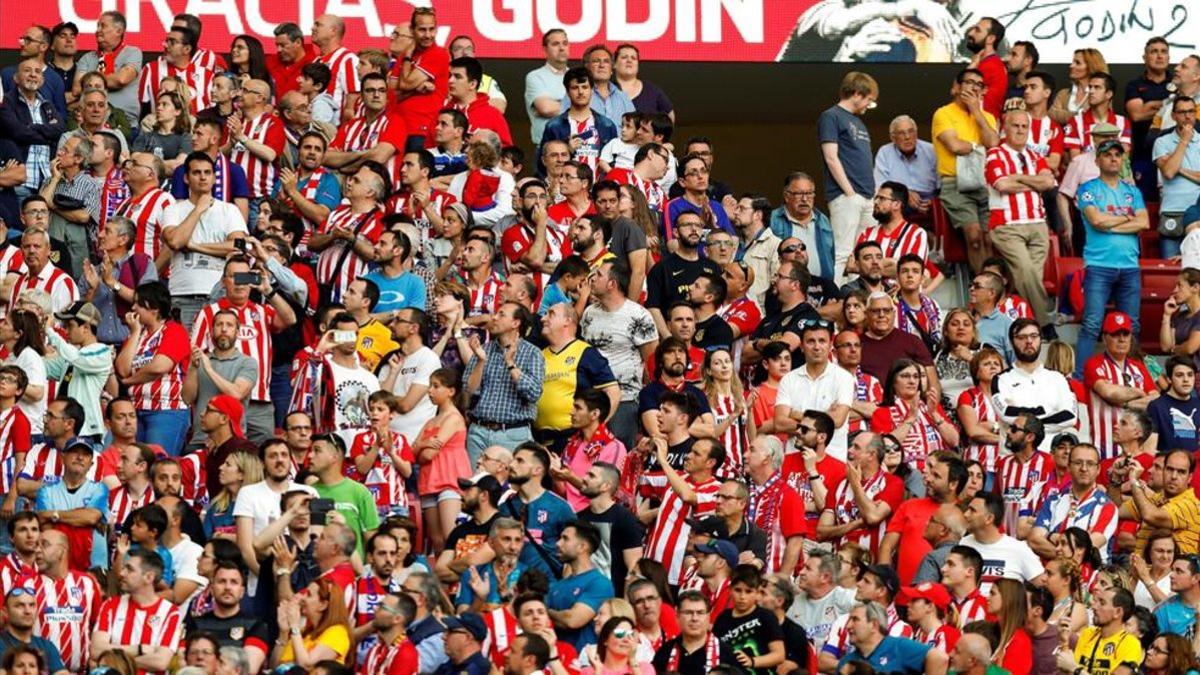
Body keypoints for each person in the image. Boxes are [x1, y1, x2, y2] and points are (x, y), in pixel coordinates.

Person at [985, 108, 1056, 331]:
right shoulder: (994, 154)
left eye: (1025, 126)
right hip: (1006, 225)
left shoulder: (1035, 156)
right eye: (1015, 125)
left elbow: (1048, 183)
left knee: (1028, 277)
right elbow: (1002, 185)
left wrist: (1018, 178)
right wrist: (1033, 181)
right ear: (1005, 128)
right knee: (1025, 271)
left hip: (1037, 224)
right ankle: (1044, 324)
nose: (1020, 130)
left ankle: (1019, 315)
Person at [932, 69, 1000, 272]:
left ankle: (994, 289)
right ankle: (981, 284)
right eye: (969, 82)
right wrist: (980, 148)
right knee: (974, 236)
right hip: (955, 184)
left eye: (979, 84)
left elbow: (993, 142)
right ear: (958, 87)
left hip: (984, 183)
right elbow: (954, 145)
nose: (973, 87)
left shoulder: (986, 116)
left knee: (990, 240)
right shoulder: (943, 113)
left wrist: (976, 111)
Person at [818, 72, 878, 284]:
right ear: (856, 93)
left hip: (867, 196)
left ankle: (855, 298)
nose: (868, 105)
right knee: (842, 252)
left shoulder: (858, 123)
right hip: (847, 196)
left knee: (862, 254)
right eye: (868, 99)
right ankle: (835, 299)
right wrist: (849, 192)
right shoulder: (831, 116)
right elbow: (831, 157)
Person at [90, 548, 181, 672]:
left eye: (129, 569)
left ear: (149, 577)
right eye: (124, 568)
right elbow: (96, 650)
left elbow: (160, 662)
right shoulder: (111, 605)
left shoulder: (170, 612)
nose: (122, 573)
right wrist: (139, 649)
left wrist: (117, 661)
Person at [308, 164, 387, 304]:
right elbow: (311, 243)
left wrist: (352, 240)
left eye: (356, 181)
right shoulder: (338, 212)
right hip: (322, 289)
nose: (349, 183)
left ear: (370, 192)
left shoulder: (379, 219)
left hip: (350, 297)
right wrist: (332, 236)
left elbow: (376, 254)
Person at [184, 561, 269, 673]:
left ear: (242, 591)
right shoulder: (195, 624)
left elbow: (248, 669)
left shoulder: (256, 625)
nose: (227, 587)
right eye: (221, 581)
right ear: (212, 589)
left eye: (234, 582)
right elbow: (184, 663)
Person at [546, 521, 612, 651]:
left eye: (565, 539)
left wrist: (548, 612)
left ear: (582, 547)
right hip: (556, 661)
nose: (558, 543)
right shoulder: (557, 586)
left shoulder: (600, 583)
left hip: (585, 663)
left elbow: (573, 620)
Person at [959, 493, 1044, 592]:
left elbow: (1043, 586)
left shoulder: (1019, 549)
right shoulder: (963, 544)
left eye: (972, 510)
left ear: (989, 519)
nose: (965, 514)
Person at [836, 602, 947, 674]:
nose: (848, 626)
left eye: (855, 619)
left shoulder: (899, 646)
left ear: (874, 625)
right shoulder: (846, 662)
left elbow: (939, 658)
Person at [71, 10, 141, 122]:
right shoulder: (87, 58)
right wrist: (109, 80)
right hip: (90, 122)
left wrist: (90, 81)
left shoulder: (133, 52)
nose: (97, 30)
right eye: (97, 26)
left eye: (102, 26)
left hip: (125, 122)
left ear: (119, 31)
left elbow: (121, 79)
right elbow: (77, 89)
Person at [1154, 95, 1200, 258]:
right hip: (1172, 212)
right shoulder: (1162, 142)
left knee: (1196, 269)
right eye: (1182, 112)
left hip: (1198, 214)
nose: (1187, 117)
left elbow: (1173, 169)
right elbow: (1168, 172)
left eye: (1191, 112)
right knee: (1169, 268)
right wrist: (1184, 142)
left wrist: (1179, 168)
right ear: (1173, 116)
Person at [1059, 588, 1143, 674]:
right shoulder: (1088, 633)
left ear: (1117, 612)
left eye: (1102, 603)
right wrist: (1064, 642)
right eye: (1096, 601)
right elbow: (1066, 669)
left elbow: (1071, 667)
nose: (1094, 606)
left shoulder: (1130, 644)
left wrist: (1075, 668)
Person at [273, 577, 353, 668]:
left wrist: (294, 625)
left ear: (323, 605)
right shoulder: (303, 632)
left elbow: (306, 666)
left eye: (309, 595)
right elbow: (274, 667)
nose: (303, 598)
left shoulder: (338, 633)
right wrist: (283, 632)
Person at [525, 29, 570, 145]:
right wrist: (579, 105)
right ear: (545, 50)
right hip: (546, 148)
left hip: (576, 148)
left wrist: (557, 104)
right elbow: (546, 108)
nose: (561, 48)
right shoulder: (535, 76)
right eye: (555, 44)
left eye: (565, 43)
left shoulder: (579, 77)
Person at [1147, 357, 1200, 452]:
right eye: (1179, 375)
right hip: (1169, 465)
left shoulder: (1198, 404)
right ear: (1169, 379)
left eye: (1190, 375)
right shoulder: (1156, 406)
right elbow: (1150, 450)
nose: (1186, 380)